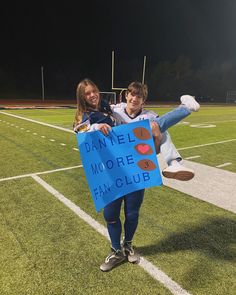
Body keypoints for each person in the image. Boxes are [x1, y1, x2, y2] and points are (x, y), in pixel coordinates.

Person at [74, 79, 200, 272]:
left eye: (94, 91)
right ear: (126, 95)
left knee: (132, 213)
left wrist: (156, 138)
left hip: (134, 170)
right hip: (110, 171)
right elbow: (78, 130)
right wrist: (95, 128)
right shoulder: (110, 110)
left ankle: (128, 245)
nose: (92, 95)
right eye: (87, 93)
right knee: (111, 215)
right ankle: (116, 250)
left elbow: (154, 148)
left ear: (144, 100)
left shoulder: (113, 109)